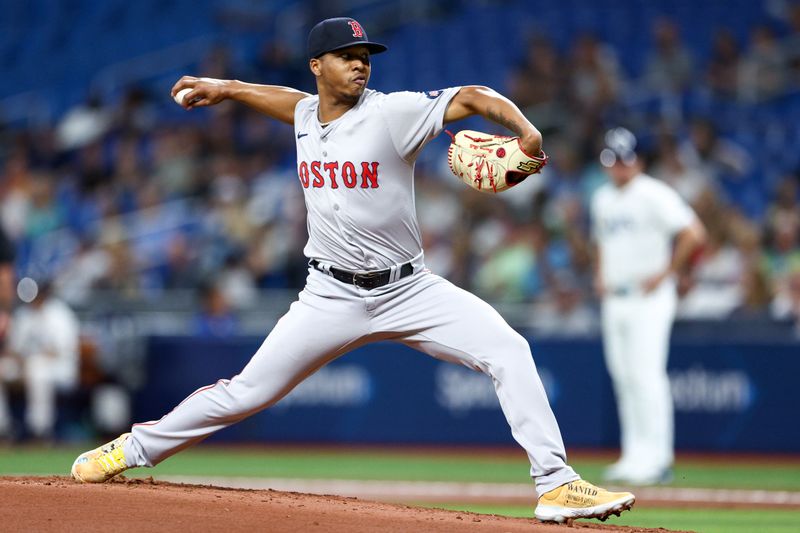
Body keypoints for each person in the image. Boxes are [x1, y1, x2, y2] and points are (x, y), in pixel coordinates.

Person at [71, 17, 635, 523]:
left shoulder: (393, 112)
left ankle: (555, 484)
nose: (361, 62)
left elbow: (471, 95)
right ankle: (130, 450)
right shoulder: (304, 115)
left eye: (365, 54)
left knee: (509, 350)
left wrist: (526, 131)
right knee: (243, 393)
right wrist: (230, 87)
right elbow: (288, 101)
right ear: (318, 66)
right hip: (329, 296)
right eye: (347, 55)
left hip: (410, 288)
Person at [591, 127, 706, 485]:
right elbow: (600, 242)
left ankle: (657, 458)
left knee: (646, 375)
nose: (619, 168)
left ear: (638, 160)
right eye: (613, 162)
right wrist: (599, 273)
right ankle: (633, 455)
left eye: (625, 161)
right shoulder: (602, 198)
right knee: (624, 378)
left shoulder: (654, 194)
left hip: (649, 297)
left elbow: (694, 233)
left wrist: (667, 272)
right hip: (616, 296)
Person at [0, 277, 81, 440]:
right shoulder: (23, 314)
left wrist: (30, 359)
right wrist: (22, 360)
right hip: (26, 365)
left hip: (60, 367)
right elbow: (13, 349)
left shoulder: (60, 314)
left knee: (38, 370)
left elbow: (64, 350)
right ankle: (4, 427)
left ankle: (40, 430)